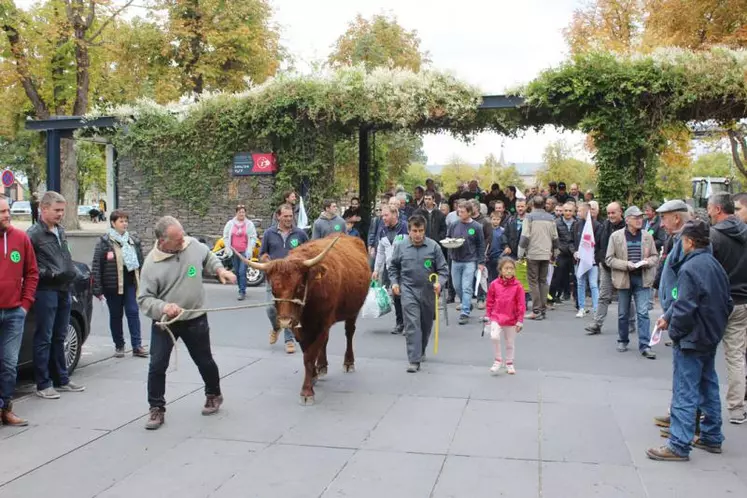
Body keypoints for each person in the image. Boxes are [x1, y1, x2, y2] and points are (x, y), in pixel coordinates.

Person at [138, 216, 237, 430]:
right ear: (163, 241)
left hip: (195, 317)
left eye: (183, 235)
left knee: (204, 360)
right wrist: (163, 307)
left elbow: (208, 256)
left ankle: (213, 394)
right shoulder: (151, 265)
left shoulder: (192, 245)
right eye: (177, 239)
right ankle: (156, 408)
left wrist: (221, 270)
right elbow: (144, 299)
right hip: (166, 322)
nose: (183, 241)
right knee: (156, 365)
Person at [646, 220, 732, 462]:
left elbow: (685, 306)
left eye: (683, 240)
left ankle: (679, 444)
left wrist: (676, 331)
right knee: (708, 385)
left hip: (692, 337)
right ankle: (712, 436)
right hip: (709, 335)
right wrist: (668, 317)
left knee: (686, 390)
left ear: (690, 242)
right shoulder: (714, 265)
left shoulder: (690, 268)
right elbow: (724, 302)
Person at [27, 191, 85, 399]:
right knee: (44, 336)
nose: (61, 214)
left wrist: (71, 273)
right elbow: (30, 267)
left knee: (60, 335)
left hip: (63, 289)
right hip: (45, 291)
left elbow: (65, 256)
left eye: (62, 210)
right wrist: (51, 273)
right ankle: (43, 384)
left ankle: (61, 379)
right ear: (44, 209)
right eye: (57, 210)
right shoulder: (33, 234)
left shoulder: (61, 231)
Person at [388, 215, 448, 372]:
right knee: (412, 323)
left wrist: (439, 283)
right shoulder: (400, 246)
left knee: (425, 324)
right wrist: (394, 283)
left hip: (428, 291)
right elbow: (393, 267)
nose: (418, 234)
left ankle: (420, 350)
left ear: (424, 230)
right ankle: (414, 360)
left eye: (421, 231)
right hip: (408, 289)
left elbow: (443, 270)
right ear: (409, 231)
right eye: (414, 231)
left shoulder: (433, 247)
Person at [707, 193, 747, 424]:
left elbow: (709, 270)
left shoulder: (714, 236)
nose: (708, 212)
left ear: (719, 209)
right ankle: (736, 408)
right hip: (743, 302)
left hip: (721, 302)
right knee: (736, 356)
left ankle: (703, 405)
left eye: (710, 208)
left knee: (704, 354)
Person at [0, 196, 38, 426]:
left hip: (14, 313)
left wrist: (25, 305)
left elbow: (32, 273)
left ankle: (6, 408)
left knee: (9, 363)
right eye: (2, 211)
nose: (7, 215)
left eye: (7, 210)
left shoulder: (20, 238)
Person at [91, 210, 147, 358]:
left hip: (130, 285)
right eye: (121, 221)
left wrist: (143, 281)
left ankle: (137, 345)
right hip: (112, 286)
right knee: (116, 316)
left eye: (126, 221)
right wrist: (97, 288)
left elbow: (141, 263)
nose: (124, 224)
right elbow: (97, 265)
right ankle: (119, 345)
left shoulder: (133, 240)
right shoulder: (104, 242)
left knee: (133, 312)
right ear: (113, 223)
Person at [605, 206, 659, 358]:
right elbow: (609, 259)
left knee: (643, 313)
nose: (639, 220)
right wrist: (625, 264)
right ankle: (622, 339)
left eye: (641, 217)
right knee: (623, 313)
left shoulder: (647, 236)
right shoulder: (616, 236)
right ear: (627, 220)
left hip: (642, 278)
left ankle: (645, 345)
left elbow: (655, 256)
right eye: (636, 218)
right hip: (624, 278)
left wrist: (648, 261)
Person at [260, 204, 309, 354]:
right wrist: (265, 259)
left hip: (292, 281)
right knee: (270, 308)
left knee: (288, 309)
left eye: (290, 216)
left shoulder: (300, 234)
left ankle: (289, 340)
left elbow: (308, 252)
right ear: (278, 216)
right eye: (285, 216)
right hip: (275, 279)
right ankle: (276, 327)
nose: (289, 219)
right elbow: (262, 254)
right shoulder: (269, 233)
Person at [585, 202, 625, 335]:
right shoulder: (604, 226)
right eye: (608, 213)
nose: (610, 215)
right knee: (603, 296)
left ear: (621, 212)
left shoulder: (626, 228)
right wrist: (601, 261)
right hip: (606, 266)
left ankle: (630, 322)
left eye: (613, 212)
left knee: (625, 296)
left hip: (622, 268)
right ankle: (597, 323)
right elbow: (598, 245)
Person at [518, 196, 559, 321]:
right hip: (546, 254)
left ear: (532, 205)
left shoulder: (529, 217)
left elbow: (525, 236)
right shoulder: (551, 218)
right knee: (543, 281)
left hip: (533, 253)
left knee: (533, 281)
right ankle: (543, 308)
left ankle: (536, 310)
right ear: (544, 205)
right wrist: (555, 253)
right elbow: (555, 237)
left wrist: (520, 253)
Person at [447, 200, 486, 325]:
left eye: (463, 211)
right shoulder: (454, 225)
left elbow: (481, 245)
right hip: (455, 259)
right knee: (457, 286)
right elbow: (448, 237)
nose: (460, 213)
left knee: (466, 286)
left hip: (470, 260)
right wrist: (450, 242)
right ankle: (467, 303)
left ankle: (464, 312)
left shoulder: (476, 227)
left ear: (469, 212)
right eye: (459, 211)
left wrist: (481, 262)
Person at [485, 257, 526, 375]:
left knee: (510, 343)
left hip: (511, 319)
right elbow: (489, 301)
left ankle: (509, 363)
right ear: (500, 270)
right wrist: (488, 316)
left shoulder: (518, 286)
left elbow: (521, 304)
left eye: (511, 269)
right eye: (506, 268)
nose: (509, 271)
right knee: (494, 336)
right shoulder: (494, 284)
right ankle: (498, 360)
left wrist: (520, 320)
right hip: (496, 317)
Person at [373, 205, 408, 334]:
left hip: (406, 267)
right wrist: (377, 269)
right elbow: (380, 252)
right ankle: (400, 323)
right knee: (396, 295)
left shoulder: (405, 227)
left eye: (386, 215)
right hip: (391, 269)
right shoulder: (382, 230)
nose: (383, 218)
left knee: (406, 295)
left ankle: (408, 323)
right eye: (382, 216)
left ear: (394, 215)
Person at [222, 204, 258, 301]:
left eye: (243, 212)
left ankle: (242, 291)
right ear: (236, 213)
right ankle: (240, 288)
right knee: (237, 271)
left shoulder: (249, 224)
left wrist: (250, 249)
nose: (242, 214)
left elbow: (253, 237)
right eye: (240, 212)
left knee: (242, 271)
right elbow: (225, 236)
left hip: (244, 253)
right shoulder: (230, 223)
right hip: (234, 252)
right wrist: (228, 247)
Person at [574, 202, 601, 318]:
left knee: (593, 284)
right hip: (580, 260)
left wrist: (596, 256)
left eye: (579, 211)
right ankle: (581, 307)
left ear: (586, 211)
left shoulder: (597, 225)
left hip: (593, 260)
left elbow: (599, 243)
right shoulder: (577, 225)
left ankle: (596, 309)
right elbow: (573, 241)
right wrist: (574, 251)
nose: (577, 213)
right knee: (580, 284)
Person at [550, 202, 577, 305]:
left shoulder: (577, 222)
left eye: (570, 210)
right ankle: (551, 299)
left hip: (574, 253)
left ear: (574, 211)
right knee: (557, 277)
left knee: (576, 277)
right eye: (566, 210)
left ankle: (578, 302)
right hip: (561, 253)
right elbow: (554, 239)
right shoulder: (556, 222)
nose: (568, 213)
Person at [470, 199, 492, 310]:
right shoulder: (465, 220)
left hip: (480, 252)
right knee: (468, 277)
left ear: (477, 208)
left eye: (471, 206)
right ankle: (466, 300)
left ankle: (481, 299)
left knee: (480, 277)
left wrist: (484, 251)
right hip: (468, 253)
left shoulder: (485, 221)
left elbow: (489, 237)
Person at [486, 211, 509, 283]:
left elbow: (505, 242)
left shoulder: (502, 231)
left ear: (500, 220)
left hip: (499, 256)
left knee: (498, 276)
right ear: (490, 219)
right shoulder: (487, 230)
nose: (496, 221)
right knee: (489, 277)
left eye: (498, 219)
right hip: (488, 257)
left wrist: (506, 248)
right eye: (494, 219)